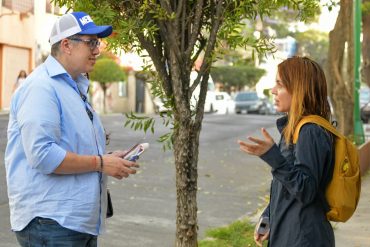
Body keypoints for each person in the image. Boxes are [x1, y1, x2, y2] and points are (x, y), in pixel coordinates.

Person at [5, 12, 138, 247]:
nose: (97, 50)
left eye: (98, 43)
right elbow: (44, 155)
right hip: (51, 223)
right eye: (92, 43)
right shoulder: (41, 87)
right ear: (66, 45)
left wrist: (106, 158)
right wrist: (100, 163)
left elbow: (70, 144)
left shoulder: (73, 85)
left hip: (72, 222)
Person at [238, 56, 335, 247]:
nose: (273, 90)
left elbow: (306, 190)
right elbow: (288, 188)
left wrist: (273, 157)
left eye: (279, 84)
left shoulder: (311, 131)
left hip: (304, 238)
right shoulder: (296, 129)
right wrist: (269, 216)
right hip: (290, 233)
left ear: (298, 89)